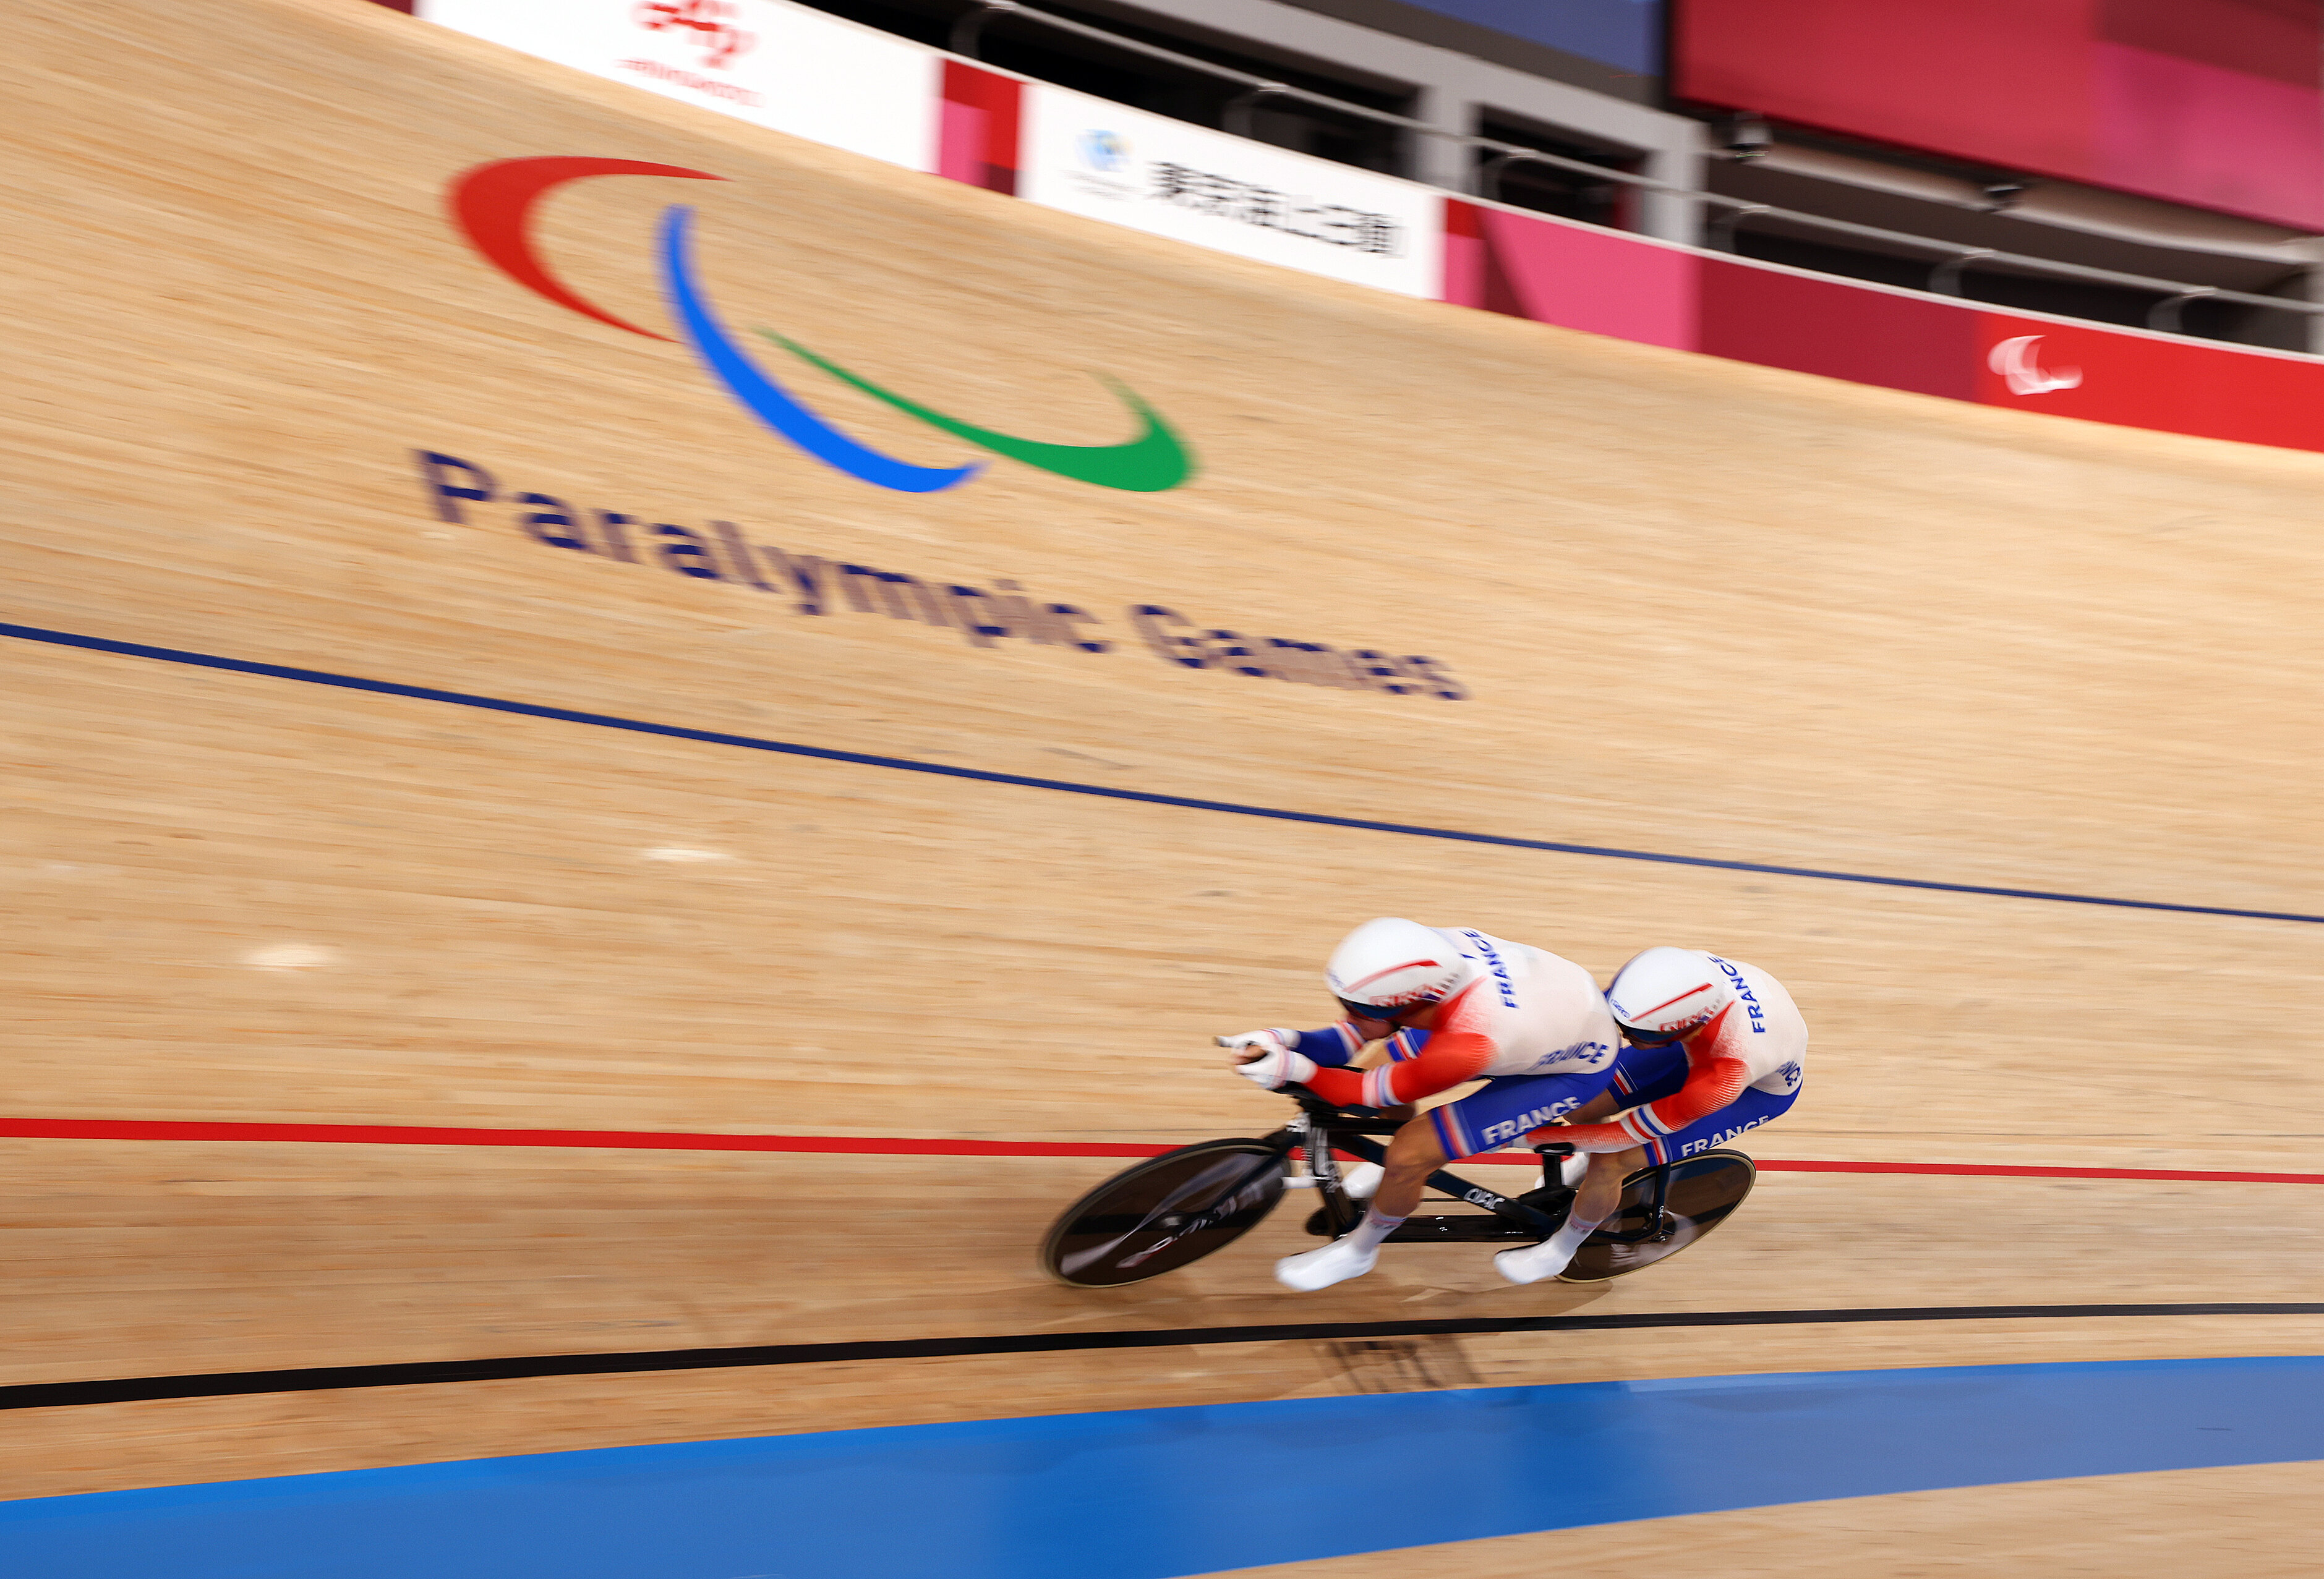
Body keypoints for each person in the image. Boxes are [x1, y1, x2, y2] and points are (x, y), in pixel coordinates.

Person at [1216, 916, 1621, 1292]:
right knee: (1384, 1071)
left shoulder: (1469, 1043)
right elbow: (1348, 1040)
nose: (1347, 1014)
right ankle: (1386, 1175)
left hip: (1568, 1067)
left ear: (1410, 1005)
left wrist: (1298, 1069)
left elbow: (1370, 1091)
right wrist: (1283, 1040)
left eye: (1358, 1009)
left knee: (1410, 1154)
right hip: (1535, 1023)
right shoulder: (1432, 958)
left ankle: (1359, 1251)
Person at [1492, 945, 1807, 1283]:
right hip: (1698, 1044)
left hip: (1754, 1091)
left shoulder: (1726, 1073)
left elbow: (1621, 1137)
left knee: (1613, 1161)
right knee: (1583, 1101)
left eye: (1633, 1034)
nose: (1623, 1035)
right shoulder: (1654, 980)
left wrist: (1512, 1137)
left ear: (1677, 1029)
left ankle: (1560, 1250)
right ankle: (1587, 1160)